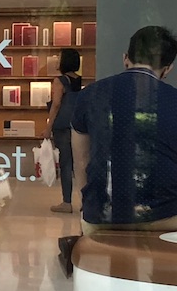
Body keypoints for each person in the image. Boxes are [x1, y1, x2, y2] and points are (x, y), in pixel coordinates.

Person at [72, 25, 177, 234]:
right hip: (164, 217)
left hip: (101, 217)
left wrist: (87, 206)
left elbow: (81, 160)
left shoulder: (89, 95)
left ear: (125, 58)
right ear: (168, 69)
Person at [45, 48, 83, 214]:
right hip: (77, 124)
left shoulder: (59, 80)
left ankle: (66, 202)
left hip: (62, 125)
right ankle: (84, 201)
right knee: (80, 163)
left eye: (59, 57)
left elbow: (56, 104)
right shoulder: (78, 80)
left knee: (66, 163)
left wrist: (48, 127)